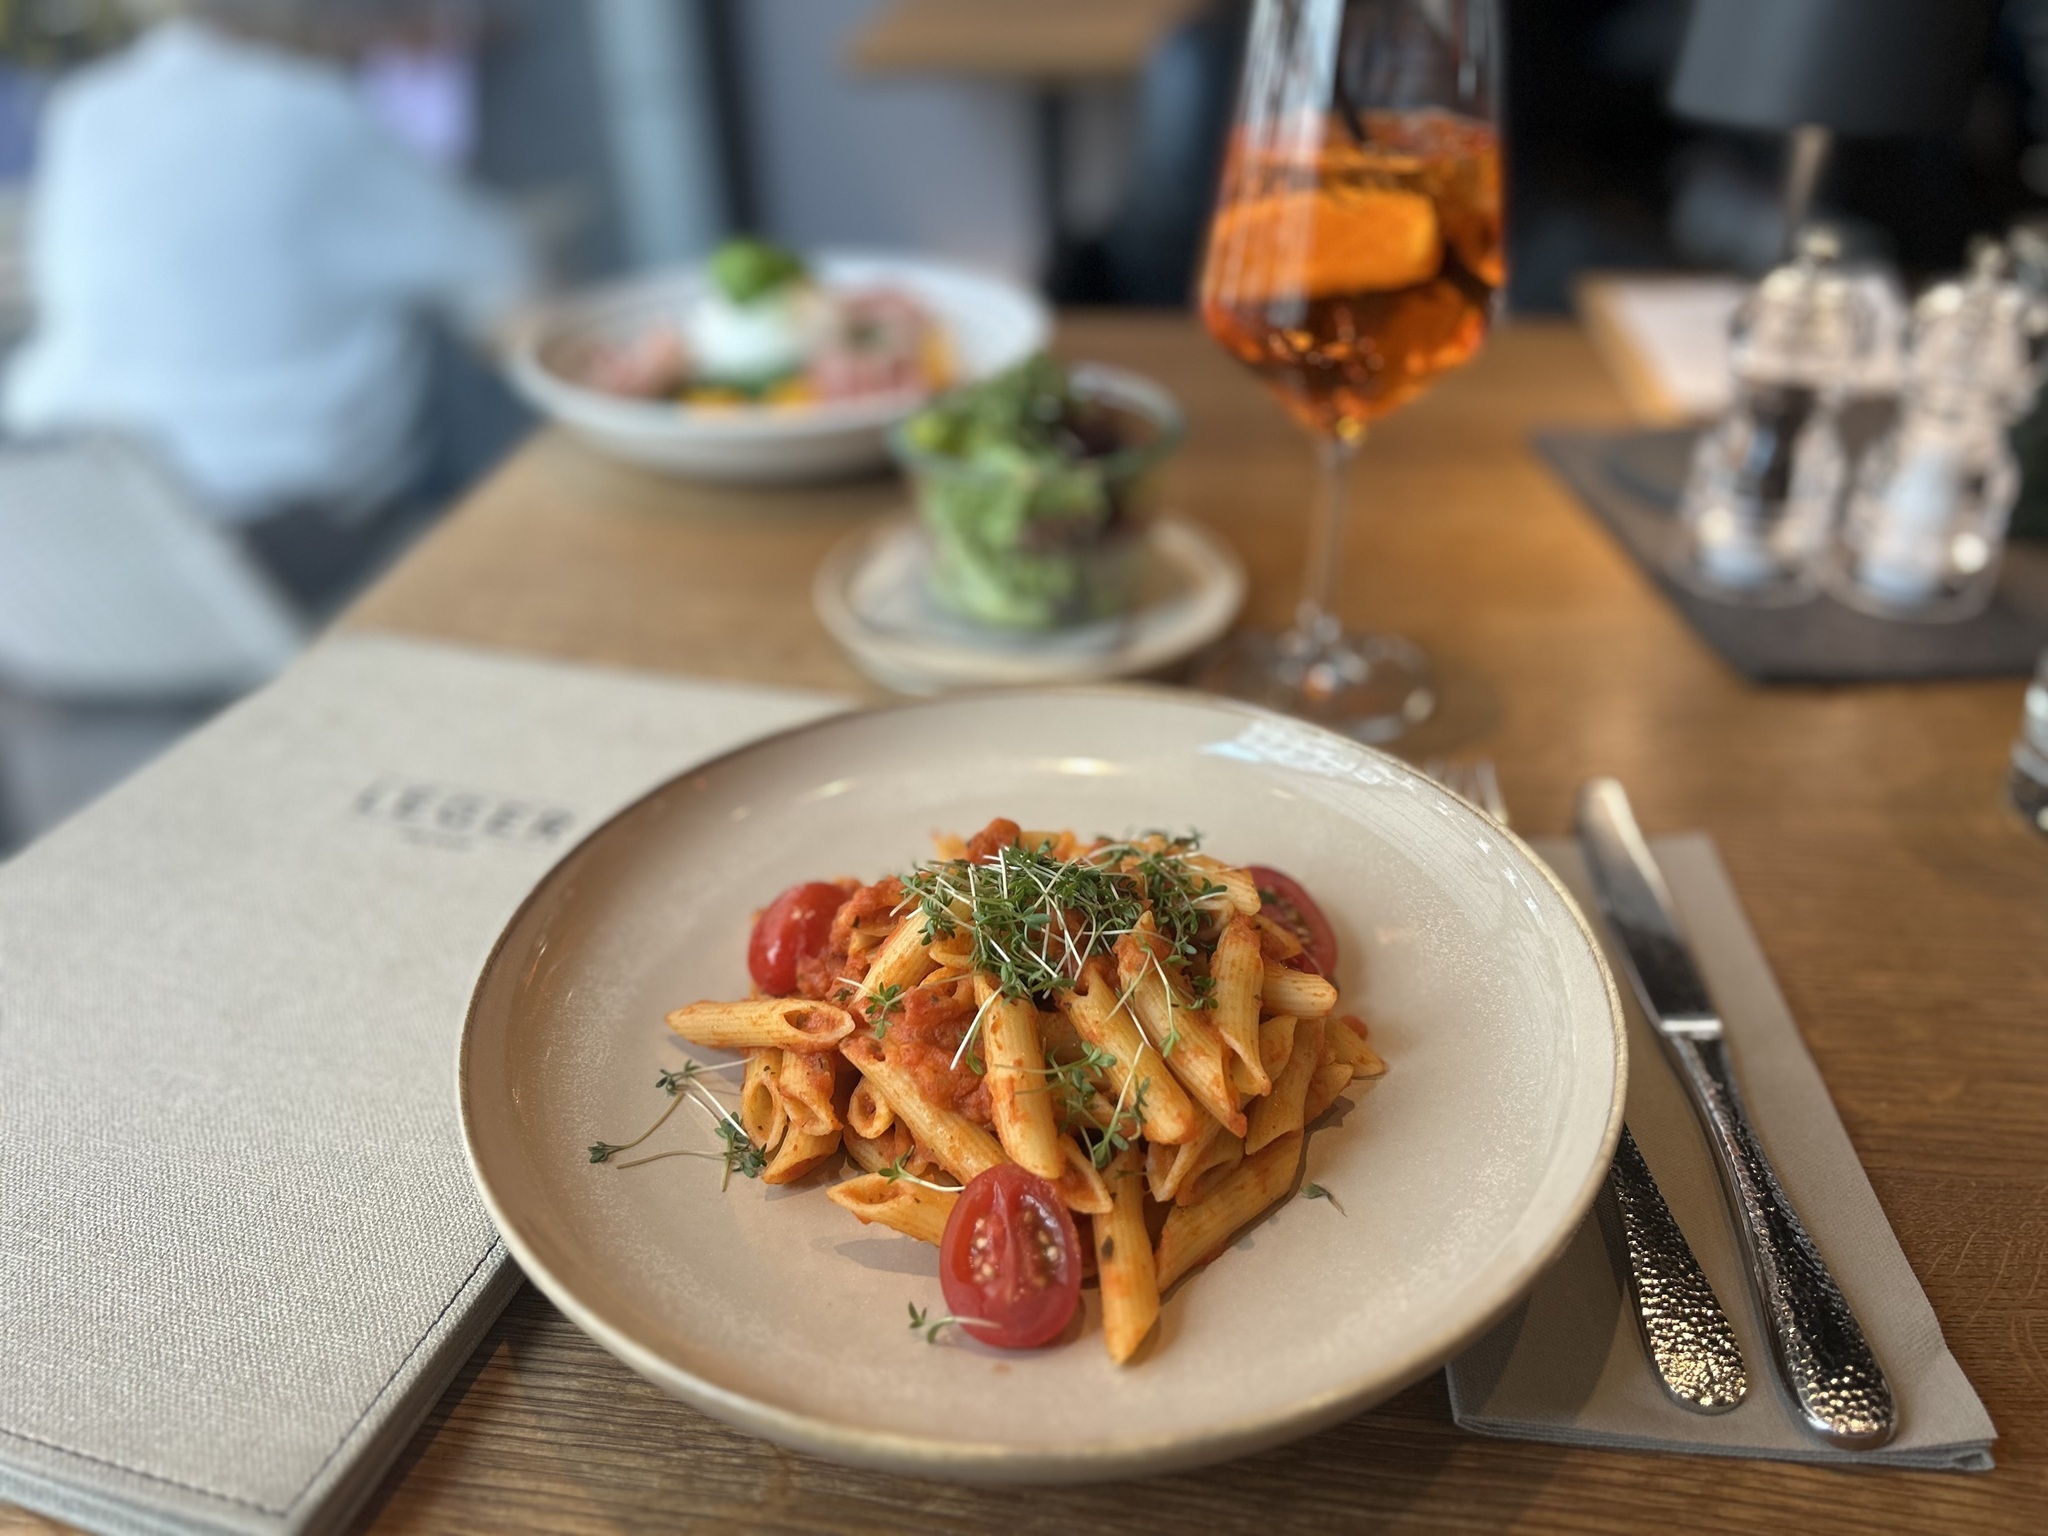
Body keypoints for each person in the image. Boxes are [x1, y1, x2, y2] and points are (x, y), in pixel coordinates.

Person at [1, 0, 534, 608]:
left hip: (53, 529)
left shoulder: (85, 106)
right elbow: (511, 284)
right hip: (261, 547)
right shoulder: (312, 111)